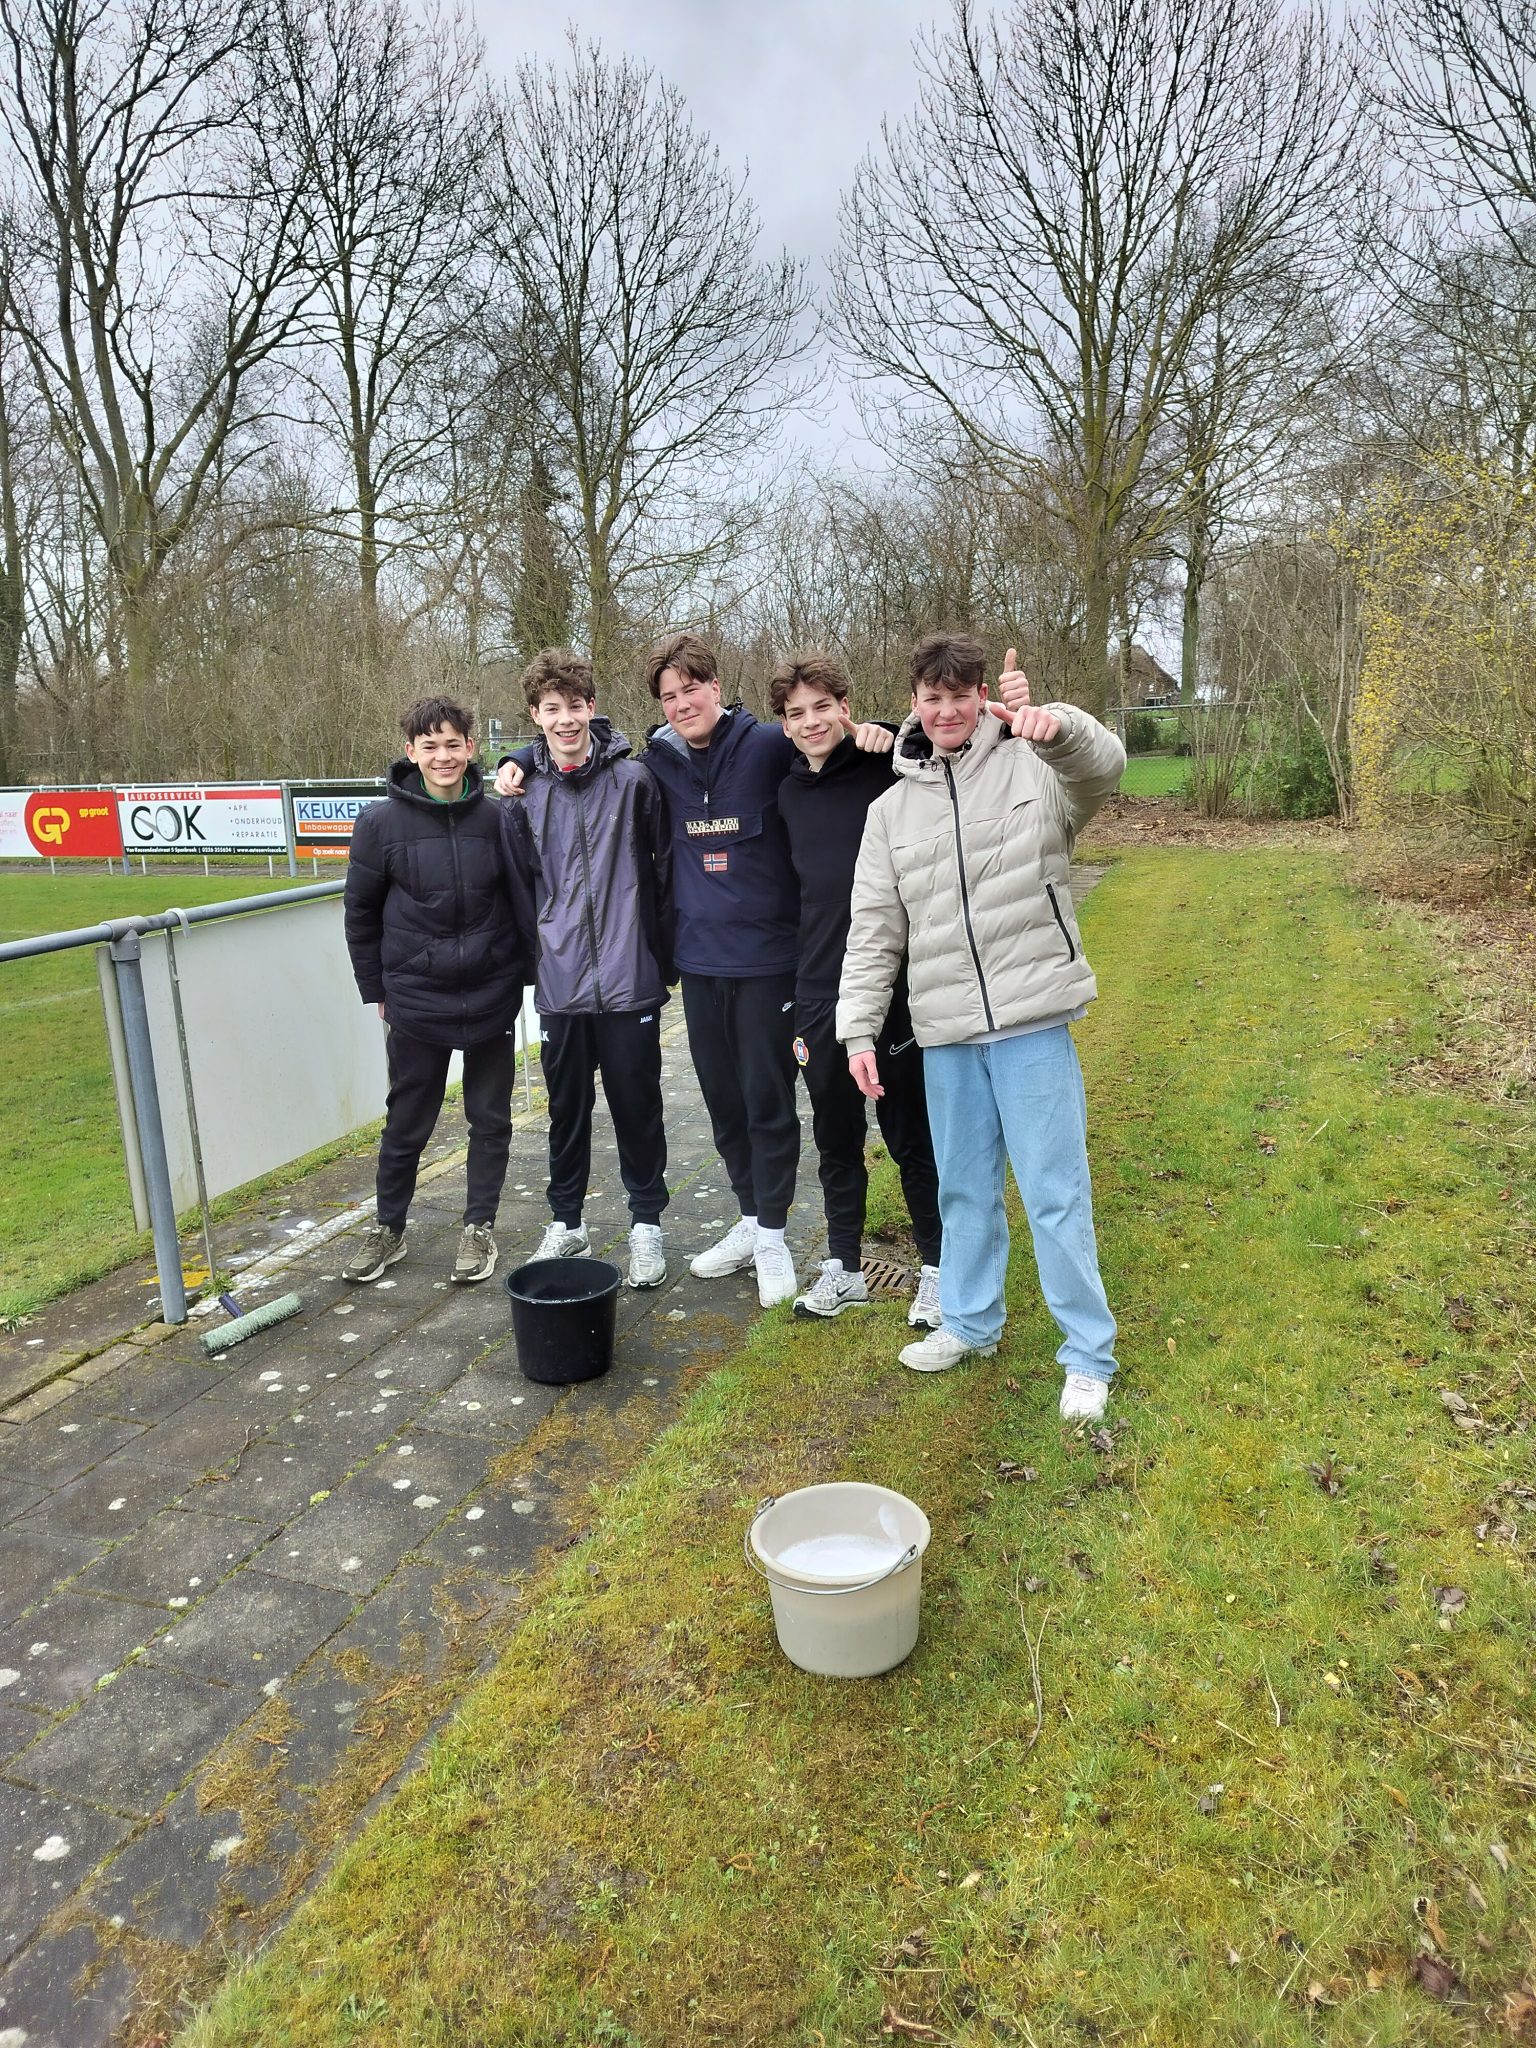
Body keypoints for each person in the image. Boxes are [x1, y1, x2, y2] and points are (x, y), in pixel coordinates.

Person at [500, 631, 891, 1308]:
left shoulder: (769, 744)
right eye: (669, 695)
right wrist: (514, 759)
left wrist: (882, 731)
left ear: (716, 687)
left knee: (770, 1104)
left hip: (770, 962)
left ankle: (774, 1237)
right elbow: (577, 761)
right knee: (723, 1104)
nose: (682, 704)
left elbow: (829, 743)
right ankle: (746, 1220)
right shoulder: (659, 764)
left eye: (692, 689)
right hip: (699, 964)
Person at [837, 633, 1126, 1420]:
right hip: (947, 1034)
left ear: (980, 698)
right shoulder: (890, 810)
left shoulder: (1039, 766)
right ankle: (969, 1323)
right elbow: (872, 930)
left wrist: (1058, 724)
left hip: (1031, 1023)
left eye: (960, 695)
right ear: (915, 704)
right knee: (964, 1190)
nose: (947, 710)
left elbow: (1105, 765)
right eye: (932, 698)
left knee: (1054, 1193)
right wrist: (858, 1030)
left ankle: (1087, 1355)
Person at [771, 650, 942, 1327]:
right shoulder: (785, 791)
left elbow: (940, 739)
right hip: (818, 989)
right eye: (795, 713)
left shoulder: (886, 767)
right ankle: (844, 1268)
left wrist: (886, 730)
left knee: (910, 1137)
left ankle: (936, 1269)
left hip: (894, 988)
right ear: (783, 724)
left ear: (845, 706)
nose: (811, 722)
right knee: (835, 1137)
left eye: (823, 707)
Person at [500, 647, 674, 1290]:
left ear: (592, 708)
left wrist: (659, 957)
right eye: (552, 709)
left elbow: (661, 874)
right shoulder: (521, 797)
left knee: (639, 1107)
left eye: (575, 706)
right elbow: (521, 890)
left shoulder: (634, 782)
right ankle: (566, 1220)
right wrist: (537, 963)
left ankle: (646, 1226)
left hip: (631, 980)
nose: (566, 719)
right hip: (562, 985)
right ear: (535, 715)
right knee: (566, 1111)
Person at [341, 695, 529, 1286]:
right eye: (430, 746)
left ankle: (478, 1228)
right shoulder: (379, 824)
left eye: (453, 744)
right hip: (416, 1001)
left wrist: (519, 973)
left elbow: (523, 902)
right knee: (407, 1122)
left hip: (491, 994)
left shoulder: (500, 819)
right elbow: (360, 914)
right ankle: (389, 1228)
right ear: (410, 752)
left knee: (489, 1118)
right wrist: (376, 989)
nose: (443, 756)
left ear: (471, 748)